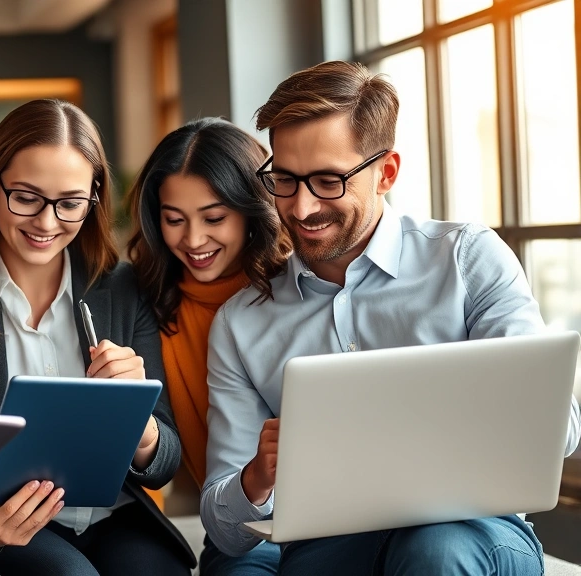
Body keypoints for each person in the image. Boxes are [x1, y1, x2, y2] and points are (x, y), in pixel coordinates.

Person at [200, 60, 581, 575]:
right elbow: (223, 529)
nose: (302, 207)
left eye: (328, 181)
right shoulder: (242, 323)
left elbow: (562, 429)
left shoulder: (467, 259)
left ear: (387, 172)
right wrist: (255, 479)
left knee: (435, 549)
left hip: (473, 531)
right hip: (330, 545)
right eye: (284, 180)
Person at [0, 99, 196, 575]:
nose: (46, 222)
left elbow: (163, 460)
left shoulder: (123, 289)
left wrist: (138, 423)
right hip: (7, 521)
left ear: (92, 199)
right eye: (26, 197)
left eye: (70, 203)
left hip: (114, 515)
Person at [126, 117, 289, 575]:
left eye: (214, 218)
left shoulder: (301, 288)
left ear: (252, 210)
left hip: (330, 519)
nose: (193, 240)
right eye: (174, 219)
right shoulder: (148, 303)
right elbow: (150, 444)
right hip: (240, 525)